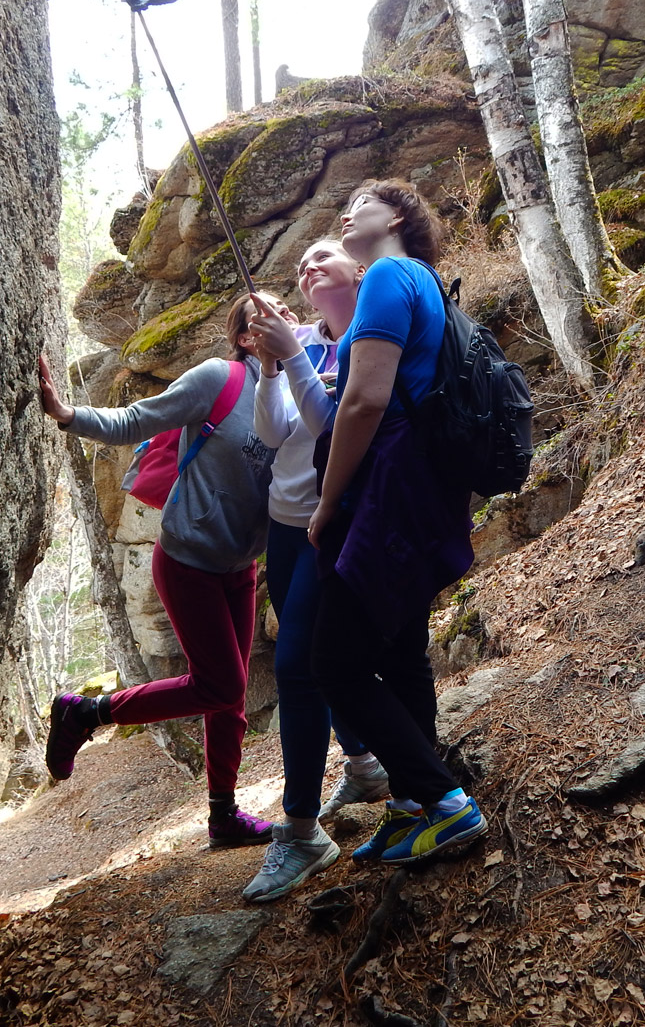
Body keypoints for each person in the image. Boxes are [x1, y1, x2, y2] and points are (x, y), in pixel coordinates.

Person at [254, 181, 486, 869]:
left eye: (365, 201)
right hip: (421, 491)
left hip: (385, 494)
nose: (348, 210)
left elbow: (362, 402)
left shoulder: (388, 272)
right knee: (398, 653)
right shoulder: (425, 284)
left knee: (335, 663)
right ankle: (413, 802)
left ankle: (446, 803)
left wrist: (327, 501)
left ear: (401, 216)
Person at [38, 295, 278, 848]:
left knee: (229, 699)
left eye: (287, 311)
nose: (284, 318)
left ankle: (223, 817)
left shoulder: (295, 393)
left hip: (239, 566)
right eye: (267, 314)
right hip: (188, 560)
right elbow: (136, 419)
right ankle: (88, 711)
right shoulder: (220, 378)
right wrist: (67, 415)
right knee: (221, 684)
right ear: (244, 337)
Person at [237, 242, 392, 903]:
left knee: (300, 664)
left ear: (359, 268)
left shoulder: (365, 339)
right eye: (299, 264)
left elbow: (337, 427)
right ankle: (362, 763)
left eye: (322, 254)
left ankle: (301, 829)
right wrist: (273, 365)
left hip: (333, 525)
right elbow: (274, 435)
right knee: (310, 656)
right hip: (285, 523)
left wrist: (294, 358)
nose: (307, 266)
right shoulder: (297, 341)